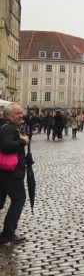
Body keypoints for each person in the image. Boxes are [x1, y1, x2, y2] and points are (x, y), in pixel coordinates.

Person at [0, 103, 30, 245]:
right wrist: (22, 141)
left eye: (20, 112)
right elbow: (7, 147)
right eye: (17, 113)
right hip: (10, 172)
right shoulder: (8, 128)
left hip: (5, 171)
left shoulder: (6, 127)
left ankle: (8, 233)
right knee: (19, 199)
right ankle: (8, 233)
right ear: (8, 115)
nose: (21, 115)